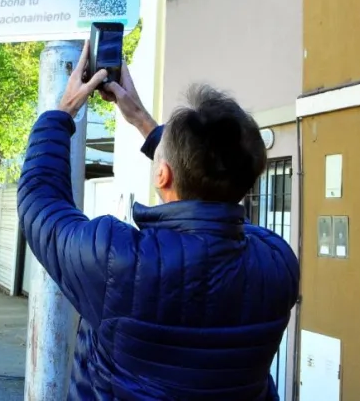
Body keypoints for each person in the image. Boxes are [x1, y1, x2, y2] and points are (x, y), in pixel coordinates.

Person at [17, 42, 299, 400]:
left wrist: (62, 111)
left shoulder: (117, 262)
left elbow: (40, 202)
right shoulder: (277, 262)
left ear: (162, 175)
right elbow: (214, 199)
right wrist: (141, 120)